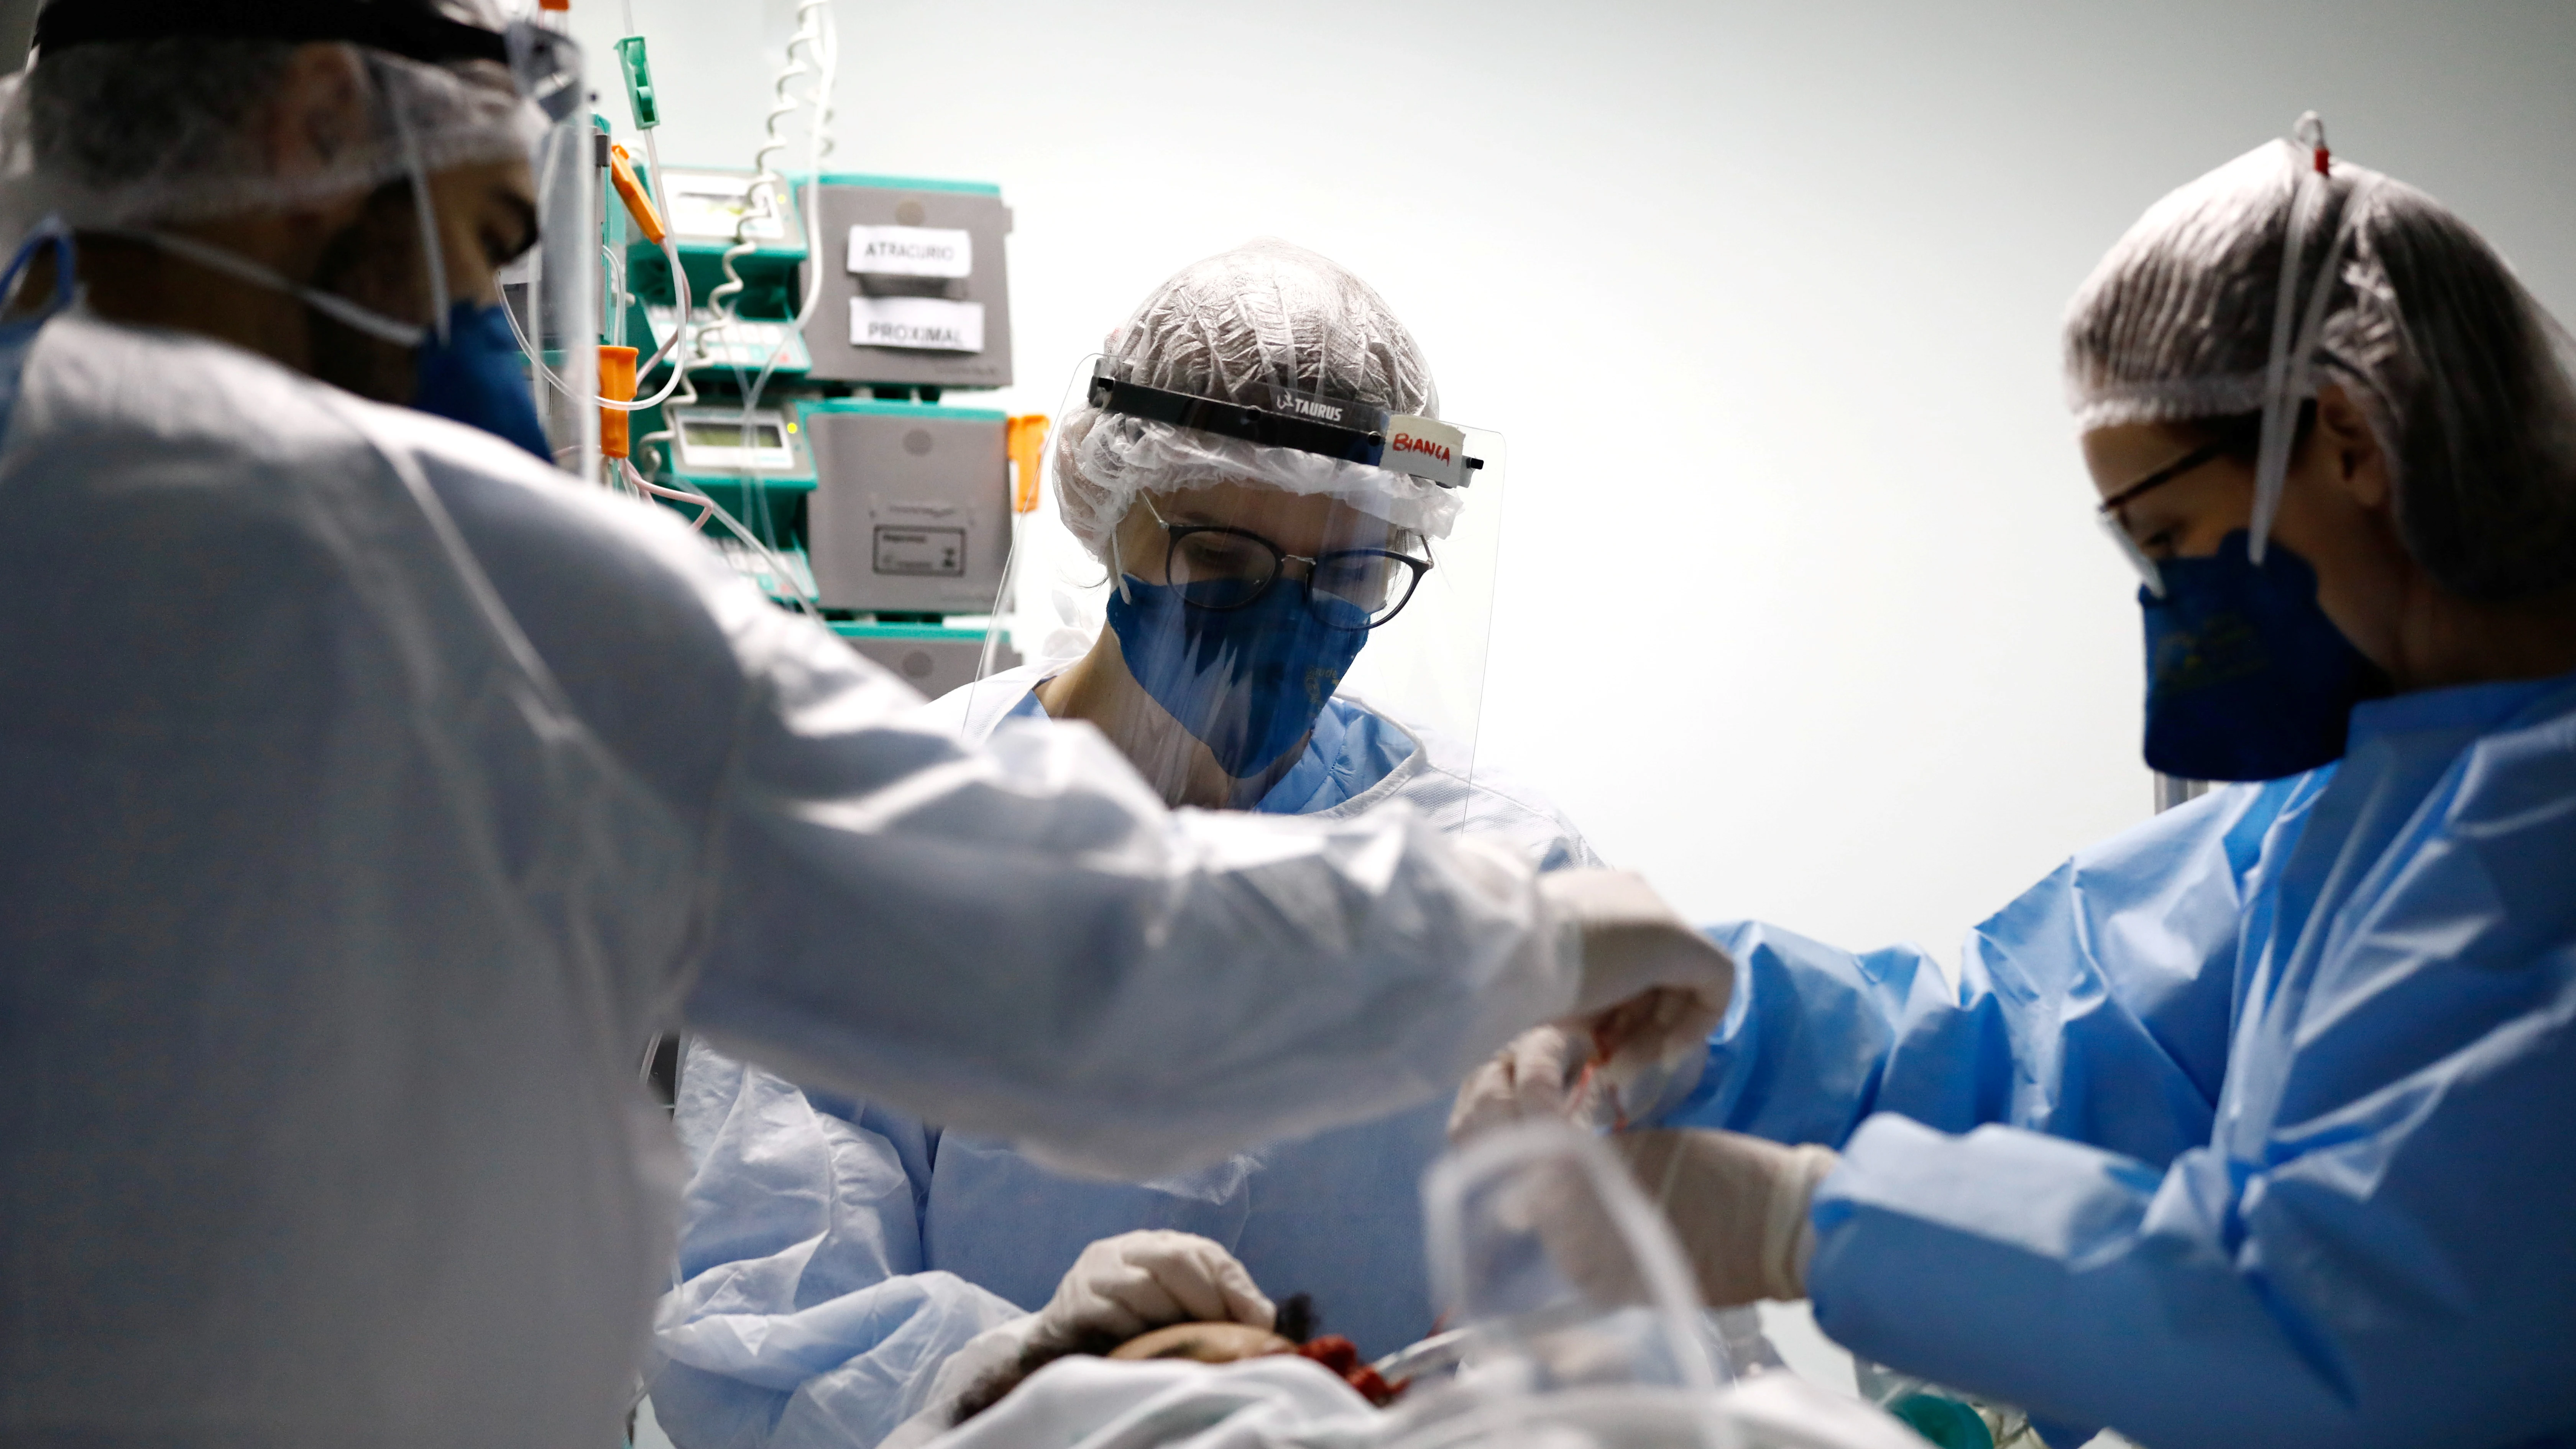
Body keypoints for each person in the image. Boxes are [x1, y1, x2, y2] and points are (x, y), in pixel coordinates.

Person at [0, 7, 1735, 1447]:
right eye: (488, 249)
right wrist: (1509, 943)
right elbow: (1073, 959)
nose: (493, 349)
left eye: (1345, 575)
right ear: (317, 125)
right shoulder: (481, 584)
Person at [1455, 123, 2576, 1449]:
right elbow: (2055, 1057)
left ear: (2346, 439)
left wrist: (1800, 1220)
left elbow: (2355, 1321)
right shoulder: (2351, 804)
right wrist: (1708, 1018)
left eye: (2168, 540)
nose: (2170, 609)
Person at [648, 242, 1605, 1449]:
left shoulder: (1498, 866)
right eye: (1221, 559)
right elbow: (757, 1324)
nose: (1287, 621)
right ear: (1107, 511)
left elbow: (1610, 1325)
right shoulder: (891, 847)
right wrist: (1025, 1377)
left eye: (1350, 573)